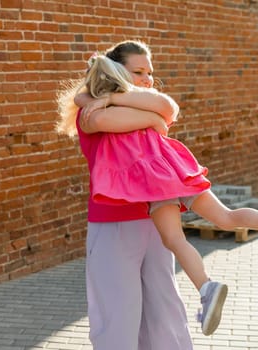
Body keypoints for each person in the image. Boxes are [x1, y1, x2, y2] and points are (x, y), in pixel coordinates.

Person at [57, 41, 195, 350]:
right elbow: (132, 119)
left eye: (150, 73)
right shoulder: (91, 113)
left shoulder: (110, 102)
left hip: (154, 222)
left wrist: (113, 97)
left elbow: (168, 107)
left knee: (165, 313)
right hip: (113, 226)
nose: (148, 79)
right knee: (118, 317)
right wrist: (151, 120)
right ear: (117, 72)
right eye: (139, 72)